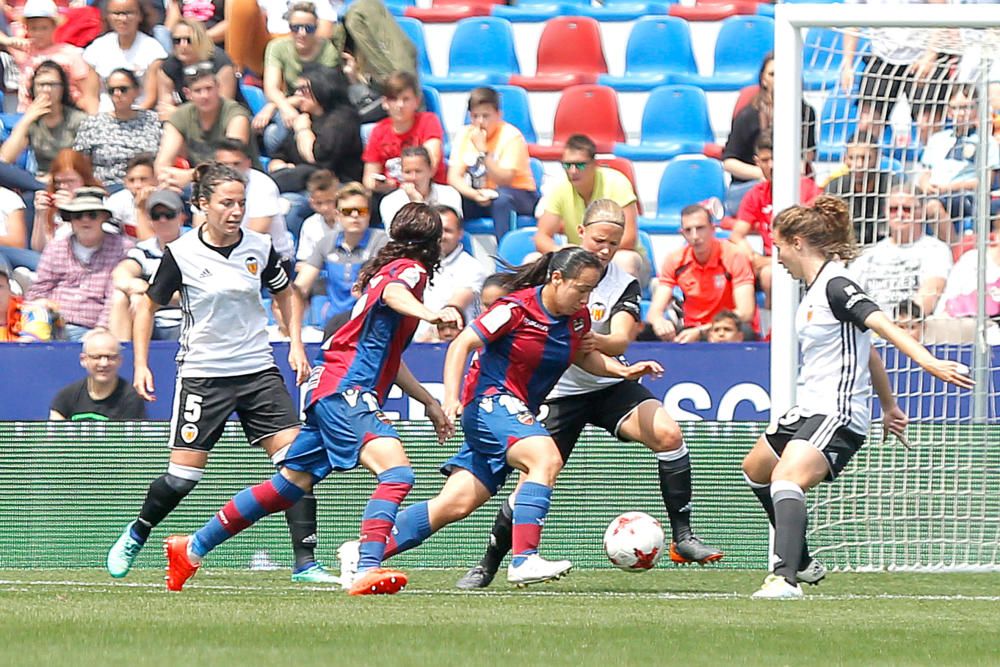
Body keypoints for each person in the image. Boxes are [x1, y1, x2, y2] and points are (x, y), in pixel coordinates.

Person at [160, 203, 461, 595]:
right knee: (397, 473)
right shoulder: (409, 272)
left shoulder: (388, 268)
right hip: (347, 389)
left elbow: (389, 354)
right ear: (433, 243)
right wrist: (432, 314)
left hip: (332, 386)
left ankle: (192, 547)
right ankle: (366, 565)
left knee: (287, 486)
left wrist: (428, 400)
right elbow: (394, 293)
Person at [337, 246, 665, 589]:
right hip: (490, 404)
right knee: (546, 457)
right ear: (556, 278)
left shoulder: (576, 319)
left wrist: (622, 371)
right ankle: (524, 559)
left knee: (454, 504)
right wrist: (449, 398)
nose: (585, 299)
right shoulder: (514, 309)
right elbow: (461, 345)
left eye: (591, 291)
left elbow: (584, 357)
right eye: (581, 289)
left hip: (507, 415)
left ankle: (363, 553)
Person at [455, 200, 721, 590]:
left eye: (614, 243)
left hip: (609, 382)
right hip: (558, 393)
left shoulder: (621, 282)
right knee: (536, 474)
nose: (606, 250)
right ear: (581, 232)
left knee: (669, 433)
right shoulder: (553, 274)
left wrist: (595, 342)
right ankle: (488, 563)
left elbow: (620, 338)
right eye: (599, 240)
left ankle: (683, 537)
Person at [105, 161, 337, 585]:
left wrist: (297, 344)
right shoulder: (182, 253)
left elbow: (287, 293)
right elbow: (147, 306)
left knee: (297, 466)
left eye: (241, 203)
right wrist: (139, 363)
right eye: (226, 203)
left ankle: (306, 564)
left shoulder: (260, 246)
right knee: (183, 478)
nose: (235, 211)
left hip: (257, 371)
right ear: (201, 205)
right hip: (203, 375)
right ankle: (138, 532)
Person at [741, 195, 973, 599]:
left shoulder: (837, 284)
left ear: (797, 242)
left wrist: (928, 362)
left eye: (777, 246)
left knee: (785, 478)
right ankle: (803, 560)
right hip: (810, 408)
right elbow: (868, 350)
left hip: (838, 411)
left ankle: (784, 578)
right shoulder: (813, 290)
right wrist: (889, 405)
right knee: (756, 469)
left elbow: (881, 325)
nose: (775, 256)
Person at [730, 134, 821, 307]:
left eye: (775, 158)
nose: (771, 165)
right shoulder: (757, 193)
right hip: (772, 261)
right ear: (757, 162)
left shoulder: (808, 189)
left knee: (770, 275)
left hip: (803, 258)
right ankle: (770, 329)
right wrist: (752, 256)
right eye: (765, 160)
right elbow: (737, 235)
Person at [27, 186, 129, 341]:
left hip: (94, 329)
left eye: (92, 215)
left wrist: (100, 330)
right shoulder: (56, 246)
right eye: (78, 216)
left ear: (103, 218)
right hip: (53, 324)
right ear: (70, 220)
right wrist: (43, 304)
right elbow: (38, 291)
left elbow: (114, 298)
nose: (85, 220)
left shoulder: (122, 249)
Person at [534, 135, 642, 279]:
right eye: (567, 165)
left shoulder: (617, 183)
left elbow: (628, 239)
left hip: (614, 254)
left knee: (625, 260)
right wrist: (558, 250)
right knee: (534, 260)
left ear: (594, 164)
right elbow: (542, 237)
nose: (572, 171)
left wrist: (589, 254)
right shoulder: (559, 187)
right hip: (579, 259)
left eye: (580, 165)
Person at [645, 204, 756, 343]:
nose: (695, 236)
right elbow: (654, 312)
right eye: (688, 230)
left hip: (722, 329)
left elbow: (746, 312)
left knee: (744, 331)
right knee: (648, 331)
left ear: (712, 229)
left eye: (700, 228)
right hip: (690, 328)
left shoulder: (734, 256)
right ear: (682, 233)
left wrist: (702, 330)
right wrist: (659, 322)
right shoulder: (675, 260)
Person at [722, 54, 817, 214]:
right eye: (772, 74)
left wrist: (792, 168)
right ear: (763, 80)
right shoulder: (748, 115)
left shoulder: (806, 112)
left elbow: (808, 154)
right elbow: (729, 162)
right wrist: (764, 173)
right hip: (748, 186)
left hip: (789, 182)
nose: (779, 79)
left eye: (784, 73)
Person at [447, 86, 538, 238]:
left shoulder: (511, 136)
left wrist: (483, 152)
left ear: (498, 115)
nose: (480, 122)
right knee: (450, 198)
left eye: (485, 116)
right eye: (475, 116)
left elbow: (504, 179)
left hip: (518, 194)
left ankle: (504, 255)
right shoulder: (464, 134)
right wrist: (474, 195)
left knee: (501, 199)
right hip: (481, 193)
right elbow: (454, 177)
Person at [849, 185, 952, 314]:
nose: (899, 214)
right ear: (885, 212)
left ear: (921, 212)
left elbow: (932, 291)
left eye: (907, 209)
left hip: (910, 327)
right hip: (871, 327)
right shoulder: (867, 254)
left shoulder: (936, 250)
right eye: (893, 209)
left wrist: (900, 325)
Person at [255, 2, 341, 156]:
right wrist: (284, 107)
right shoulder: (277, 47)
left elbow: (318, 92)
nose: (302, 33)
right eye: (295, 28)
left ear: (316, 28)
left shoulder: (328, 50)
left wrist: (274, 106)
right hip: (290, 103)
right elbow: (271, 87)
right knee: (272, 133)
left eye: (309, 28)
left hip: (319, 105)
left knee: (282, 131)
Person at [918, 84, 1000, 243]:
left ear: (976, 109)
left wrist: (947, 188)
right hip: (934, 192)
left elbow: (985, 182)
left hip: (964, 196)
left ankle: (954, 247)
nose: (961, 113)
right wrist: (926, 185)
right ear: (949, 111)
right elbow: (925, 172)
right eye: (955, 108)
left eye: (966, 107)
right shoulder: (937, 139)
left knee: (932, 207)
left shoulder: (985, 142)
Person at [294, 181, 388, 316]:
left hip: (368, 320)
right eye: (348, 211)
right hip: (334, 323)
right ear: (337, 215)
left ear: (369, 214)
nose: (355, 215)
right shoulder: (326, 243)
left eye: (361, 211)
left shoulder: (381, 241)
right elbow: (301, 286)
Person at [155, 64, 254, 191]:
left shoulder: (236, 116)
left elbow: (231, 165)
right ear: (188, 94)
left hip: (239, 183)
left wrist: (192, 175)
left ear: (218, 88)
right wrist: (173, 178)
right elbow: (161, 164)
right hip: (198, 184)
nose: (204, 96)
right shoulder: (181, 116)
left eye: (209, 89)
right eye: (198, 91)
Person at [267, 63, 363, 185]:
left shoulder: (343, 119)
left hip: (333, 187)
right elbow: (281, 153)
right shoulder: (306, 116)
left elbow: (317, 157)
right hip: (304, 183)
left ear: (321, 88)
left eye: (303, 89)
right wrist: (278, 165)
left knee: (289, 202)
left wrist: (303, 130)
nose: (297, 94)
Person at [108, 188, 185, 342]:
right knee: (120, 297)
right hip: (151, 320)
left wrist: (151, 294)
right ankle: (122, 353)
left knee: (140, 299)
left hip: (186, 319)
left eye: (169, 215)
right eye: (156, 216)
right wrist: (136, 288)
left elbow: (196, 294)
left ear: (181, 217)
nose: (162, 220)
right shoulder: (145, 249)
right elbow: (120, 273)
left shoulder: (195, 248)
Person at [362, 71, 445, 209]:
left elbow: (432, 165)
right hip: (393, 194)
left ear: (417, 101)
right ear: (385, 103)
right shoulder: (379, 131)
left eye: (406, 99)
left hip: (430, 191)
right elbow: (369, 178)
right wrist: (384, 185)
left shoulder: (428, 121)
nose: (400, 105)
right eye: (394, 99)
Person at [0, 0, 100, 114]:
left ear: (54, 27)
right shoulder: (23, 51)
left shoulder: (70, 52)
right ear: (26, 28)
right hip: (28, 116)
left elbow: (87, 91)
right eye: (34, 28)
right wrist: (8, 41)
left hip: (64, 116)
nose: (38, 33)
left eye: (44, 28)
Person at [73, 68, 162, 187]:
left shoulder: (153, 121)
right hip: (106, 186)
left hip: (145, 186)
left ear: (137, 91)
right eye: (111, 90)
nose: (117, 94)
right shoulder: (92, 124)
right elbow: (81, 163)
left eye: (123, 89)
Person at [213, 139, 295, 270]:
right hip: (225, 255)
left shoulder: (263, 185)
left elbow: (257, 233)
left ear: (248, 163)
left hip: (269, 259)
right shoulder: (207, 186)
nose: (231, 170)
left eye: (236, 164)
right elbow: (200, 226)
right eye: (225, 165)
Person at [0, 60, 87, 176]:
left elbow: (85, 163)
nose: (47, 90)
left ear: (62, 88)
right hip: (38, 180)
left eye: (52, 84)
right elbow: (5, 159)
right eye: (41, 85)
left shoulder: (78, 119)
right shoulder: (31, 119)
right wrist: (27, 119)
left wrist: (53, 178)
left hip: (70, 178)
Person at [413, 205, 486, 343]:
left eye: (447, 230)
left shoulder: (471, 267)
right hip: (412, 344)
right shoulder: (413, 264)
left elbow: (455, 306)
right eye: (436, 231)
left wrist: (433, 331)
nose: (441, 236)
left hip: (450, 344)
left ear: (460, 233)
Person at [82, 0, 166, 112]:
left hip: (140, 116)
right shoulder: (97, 48)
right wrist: (96, 119)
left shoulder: (153, 49)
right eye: (116, 13)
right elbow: (90, 96)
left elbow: (151, 97)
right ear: (108, 16)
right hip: (104, 115)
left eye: (128, 13)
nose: (122, 19)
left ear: (140, 16)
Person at [49, 327, 146, 420]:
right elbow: (55, 434)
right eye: (97, 357)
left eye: (110, 357)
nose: (104, 363)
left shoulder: (130, 399)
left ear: (120, 360)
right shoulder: (66, 397)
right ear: (83, 360)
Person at [157, 18, 239, 120]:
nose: (183, 46)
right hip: (188, 121)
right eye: (177, 41)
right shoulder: (169, 66)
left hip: (227, 121)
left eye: (189, 40)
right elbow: (165, 107)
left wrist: (179, 114)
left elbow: (223, 109)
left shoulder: (220, 62)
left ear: (201, 40)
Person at [30, 148, 104, 252]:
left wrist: (72, 210)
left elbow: (91, 246)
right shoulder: (51, 204)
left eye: (70, 181)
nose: (63, 187)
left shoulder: (100, 202)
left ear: (84, 180)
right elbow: (39, 249)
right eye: (58, 182)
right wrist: (40, 215)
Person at [822, 137, 893, 244]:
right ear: (845, 160)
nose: (859, 164)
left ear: (878, 158)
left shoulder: (892, 186)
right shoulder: (835, 188)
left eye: (866, 158)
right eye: (852, 158)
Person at [380, 146, 462, 228]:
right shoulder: (390, 202)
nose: (413, 177)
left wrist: (418, 203)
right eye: (408, 172)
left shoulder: (450, 194)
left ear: (431, 171)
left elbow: (448, 230)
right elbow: (395, 236)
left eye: (418, 171)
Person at [106, 153, 156, 239]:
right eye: (131, 180)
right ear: (125, 183)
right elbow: (107, 235)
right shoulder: (117, 200)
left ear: (156, 180)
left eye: (143, 179)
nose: (137, 185)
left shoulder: (166, 201)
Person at [295, 168, 338, 269]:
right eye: (319, 203)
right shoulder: (310, 225)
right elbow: (304, 259)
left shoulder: (348, 222)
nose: (325, 208)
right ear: (311, 202)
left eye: (329, 201)